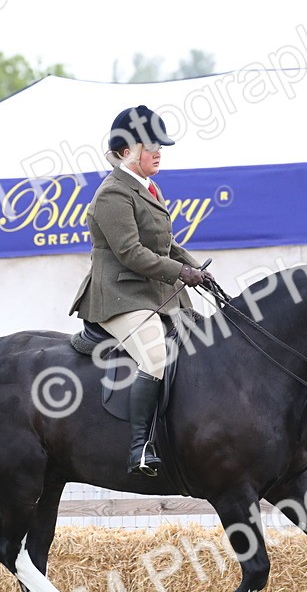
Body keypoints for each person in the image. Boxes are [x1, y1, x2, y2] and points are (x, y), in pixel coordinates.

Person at [70, 105, 211, 477]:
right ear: (126, 151)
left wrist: (196, 268)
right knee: (154, 356)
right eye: (151, 146)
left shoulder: (148, 187)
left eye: (159, 146)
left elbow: (165, 244)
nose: (158, 152)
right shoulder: (112, 194)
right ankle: (140, 449)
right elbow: (131, 253)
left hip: (152, 293)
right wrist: (180, 272)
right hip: (119, 296)